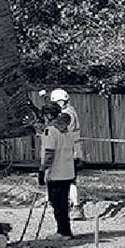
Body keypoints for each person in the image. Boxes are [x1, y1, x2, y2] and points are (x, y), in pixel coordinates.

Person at [46, 87, 84, 219]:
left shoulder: (67, 114)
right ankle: (68, 206)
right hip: (70, 151)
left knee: (68, 181)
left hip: (70, 152)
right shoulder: (68, 112)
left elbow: (58, 127)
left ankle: (76, 207)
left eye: (59, 102)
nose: (58, 105)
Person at [40, 110, 77, 238]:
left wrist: (42, 170)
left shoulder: (50, 131)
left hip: (55, 173)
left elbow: (49, 153)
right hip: (67, 172)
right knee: (63, 202)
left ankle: (62, 232)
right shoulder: (68, 133)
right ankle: (65, 230)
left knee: (56, 203)